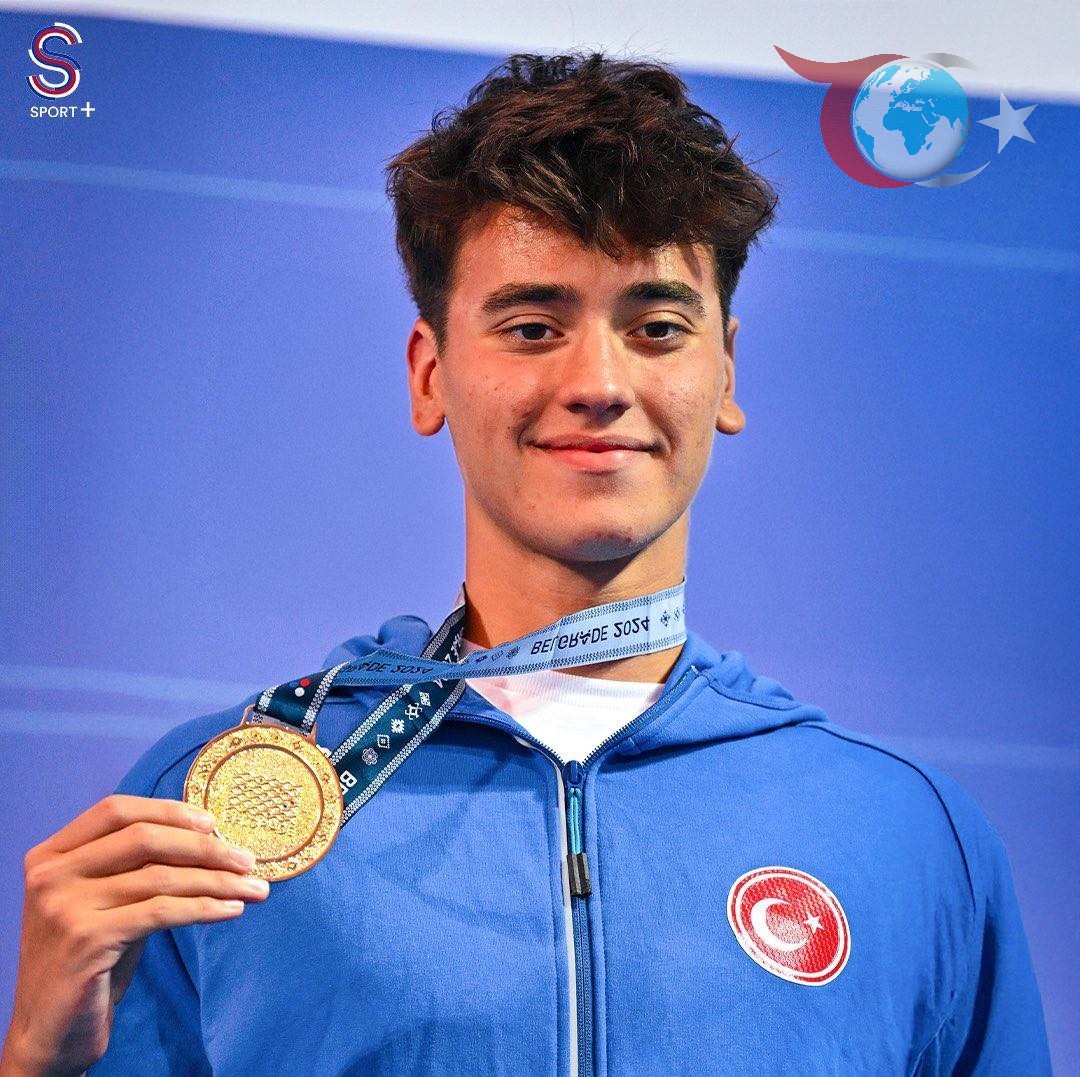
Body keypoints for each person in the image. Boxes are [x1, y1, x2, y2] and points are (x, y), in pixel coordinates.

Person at [1, 51, 1051, 1076]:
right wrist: (36, 1065)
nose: (599, 382)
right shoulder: (205, 820)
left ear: (726, 372)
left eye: (657, 326)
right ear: (430, 375)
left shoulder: (906, 837)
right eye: (535, 326)